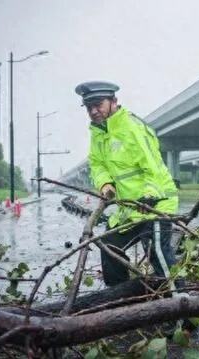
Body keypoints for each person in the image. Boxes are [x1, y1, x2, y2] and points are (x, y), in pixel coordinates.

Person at [75, 81, 179, 286]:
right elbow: (96, 164)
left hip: (155, 204)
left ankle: (182, 306)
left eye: (98, 105)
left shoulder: (132, 127)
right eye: (89, 107)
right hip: (128, 209)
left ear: (114, 101)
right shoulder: (98, 133)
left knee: (158, 253)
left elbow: (154, 166)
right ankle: (120, 298)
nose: (94, 111)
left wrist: (150, 194)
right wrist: (105, 184)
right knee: (109, 245)